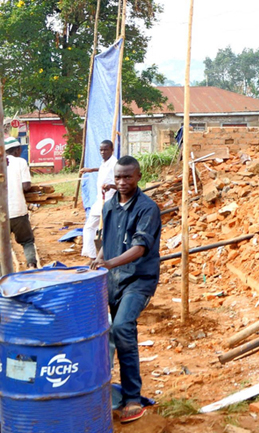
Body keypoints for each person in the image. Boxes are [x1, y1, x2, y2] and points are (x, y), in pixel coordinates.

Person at [90, 156, 161, 424]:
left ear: (138, 177)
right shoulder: (110, 206)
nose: (122, 182)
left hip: (138, 279)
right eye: (118, 177)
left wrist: (109, 262)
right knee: (101, 329)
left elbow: (140, 248)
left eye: (127, 177)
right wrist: (99, 258)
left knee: (122, 328)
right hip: (113, 279)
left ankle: (132, 397)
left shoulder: (147, 208)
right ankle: (99, 389)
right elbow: (107, 240)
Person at [79, 139, 116, 259]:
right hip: (100, 199)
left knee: (104, 230)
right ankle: (93, 256)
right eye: (101, 150)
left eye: (106, 149)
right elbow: (103, 169)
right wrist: (91, 170)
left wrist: (110, 186)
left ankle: (100, 257)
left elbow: (121, 183)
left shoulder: (115, 164)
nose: (103, 152)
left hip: (110, 201)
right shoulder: (105, 162)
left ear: (112, 150)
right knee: (90, 227)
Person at [4, 137, 37, 269]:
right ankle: (31, 266)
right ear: (17, 150)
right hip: (18, 210)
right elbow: (26, 186)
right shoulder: (20, 162)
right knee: (27, 241)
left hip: (2, 213)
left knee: (2, 244)